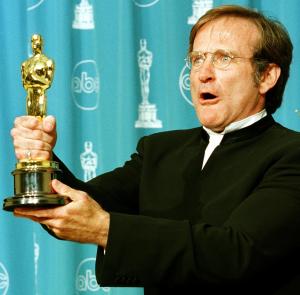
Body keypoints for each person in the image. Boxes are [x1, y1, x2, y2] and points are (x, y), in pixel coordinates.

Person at [11, 4, 300, 295]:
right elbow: (87, 206)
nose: (203, 74)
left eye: (223, 58)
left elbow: (235, 252)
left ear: (266, 76)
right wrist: (41, 159)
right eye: (197, 59)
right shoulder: (160, 150)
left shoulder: (292, 154)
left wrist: (106, 230)